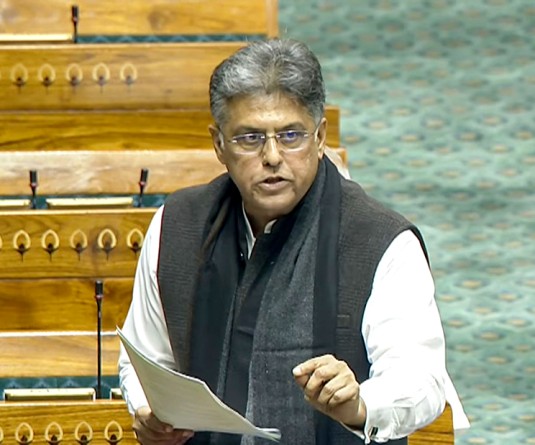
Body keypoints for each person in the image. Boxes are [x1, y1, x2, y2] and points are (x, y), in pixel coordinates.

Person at [118, 38, 469, 445]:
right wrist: (148, 410)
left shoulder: (380, 240)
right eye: (250, 138)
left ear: (320, 138)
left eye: (290, 136)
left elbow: (420, 380)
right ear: (219, 145)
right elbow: (145, 358)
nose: (272, 156)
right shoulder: (178, 224)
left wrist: (360, 404)